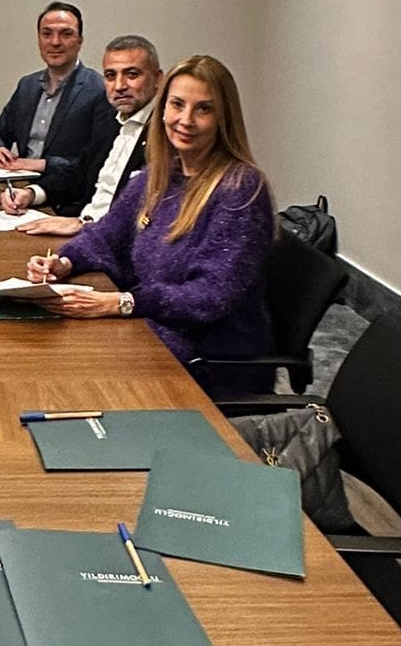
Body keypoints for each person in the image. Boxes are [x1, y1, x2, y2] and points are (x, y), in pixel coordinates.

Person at [26, 53, 275, 393]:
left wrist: (123, 302)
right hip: (154, 330)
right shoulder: (157, 176)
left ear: (223, 119)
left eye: (203, 109)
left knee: (72, 378)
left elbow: (210, 296)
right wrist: (64, 262)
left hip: (208, 359)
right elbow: (105, 236)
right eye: (177, 105)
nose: (185, 120)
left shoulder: (240, 189)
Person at [3, 34, 161, 229]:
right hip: (84, 226)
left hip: (109, 237)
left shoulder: (166, 135)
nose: (119, 86)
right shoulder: (111, 121)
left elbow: (151, 214)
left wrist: (84, 225)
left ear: (158, 79)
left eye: (132, 74)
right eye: (111, 76)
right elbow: (79, 174)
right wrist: (31, 193)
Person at [0, 2, 109, 209]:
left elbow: (97, 162)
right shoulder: (27, 86)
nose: (55, 42)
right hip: (18, 188)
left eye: (66, 34)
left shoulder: (99, 90)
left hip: (65, 198)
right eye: (47, 34)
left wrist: (42, 164)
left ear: (80, 41)